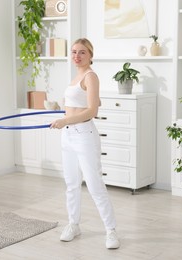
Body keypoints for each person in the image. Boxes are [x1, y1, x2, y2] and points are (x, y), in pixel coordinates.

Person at [50, 38, 120, 249]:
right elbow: (82, 103)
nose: (76, 56)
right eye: (73, 52)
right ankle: (74, 224)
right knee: (71, 184)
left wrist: (65, 120)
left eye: (81, 52)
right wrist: (65, 118)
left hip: (84, 135)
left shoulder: (91, 76)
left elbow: (92, 111)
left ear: (90, 55)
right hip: (68, 136)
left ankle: (111, 231)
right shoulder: (76, 77)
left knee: (94, 185)